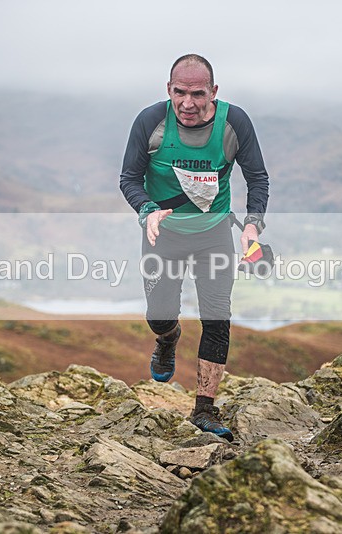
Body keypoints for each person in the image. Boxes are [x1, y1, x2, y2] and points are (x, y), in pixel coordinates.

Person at [120, 54, 270, 441]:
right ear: (168, 89)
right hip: (162, 232)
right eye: (179, 92)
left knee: (217, 317)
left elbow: (257, 177)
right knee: (159, 314)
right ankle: (168, 339)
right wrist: (147, 209)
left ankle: (204, 409)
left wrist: (253, 225)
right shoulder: (150, 122)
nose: (187, 103)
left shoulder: (234, 123)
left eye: (198, 94)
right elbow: (128, 178)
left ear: (214, 92)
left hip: (214, 232)